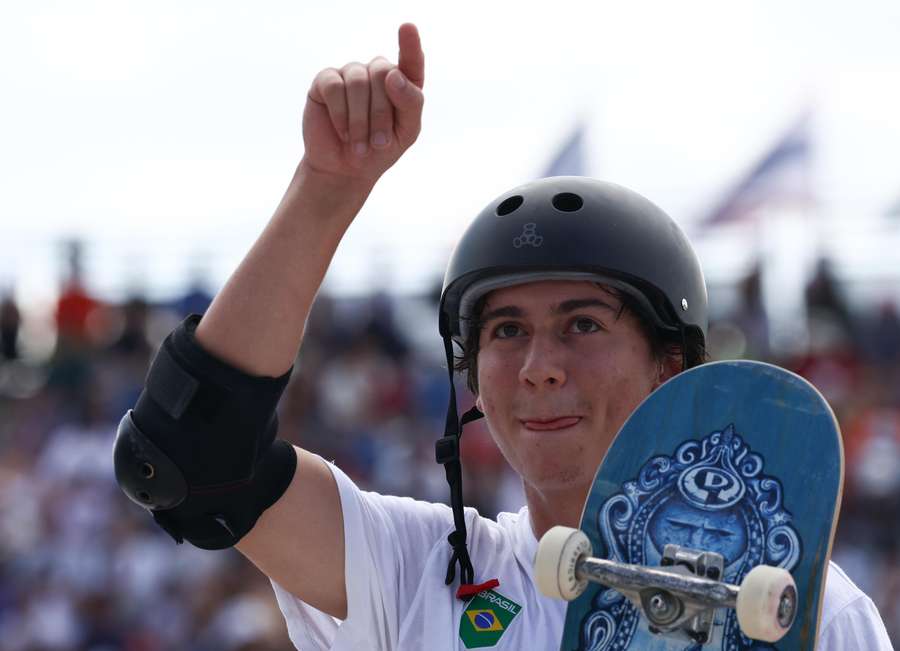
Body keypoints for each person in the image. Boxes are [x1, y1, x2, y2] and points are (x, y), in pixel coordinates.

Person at [112, 23, 893, 650]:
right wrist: (327, 189)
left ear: (671, 369)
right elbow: (189, 459)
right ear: (473, 380)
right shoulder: (415, 569)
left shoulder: (804, 614)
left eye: (582, 324)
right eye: (507, 331)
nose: (539, 367)